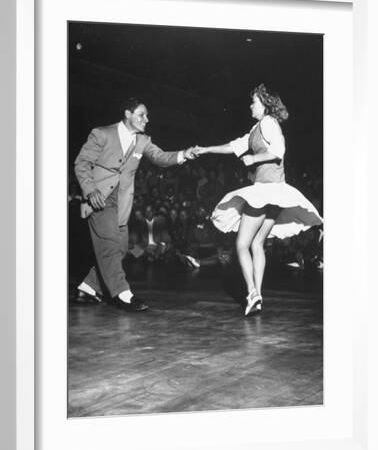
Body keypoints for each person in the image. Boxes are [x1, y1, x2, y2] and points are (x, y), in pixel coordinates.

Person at [194, 84, 323, 315]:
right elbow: (233, 146)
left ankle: (252, 292)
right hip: (274, 195)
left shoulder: (268, 123)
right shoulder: (257, 128)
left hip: (266, 191)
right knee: (256, 244)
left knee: (242, 244)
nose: (250, 105)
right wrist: (205, 149)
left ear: (264, 104)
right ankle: (258, 296)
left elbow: (278, 151)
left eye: (253, 101)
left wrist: (253, 160)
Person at [74, 97, 197, 312]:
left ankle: (88, 287)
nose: (146, 119)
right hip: (99, 199)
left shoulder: (143, 140)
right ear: (127, 114)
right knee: (110, 245)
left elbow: (160, 157)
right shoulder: (102, 134)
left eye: (147, 115)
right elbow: (82, 164)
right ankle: (123, 294)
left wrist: (183, 155)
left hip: (122, 202)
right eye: (142, 114)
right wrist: (90, 190)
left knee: (121, 248)